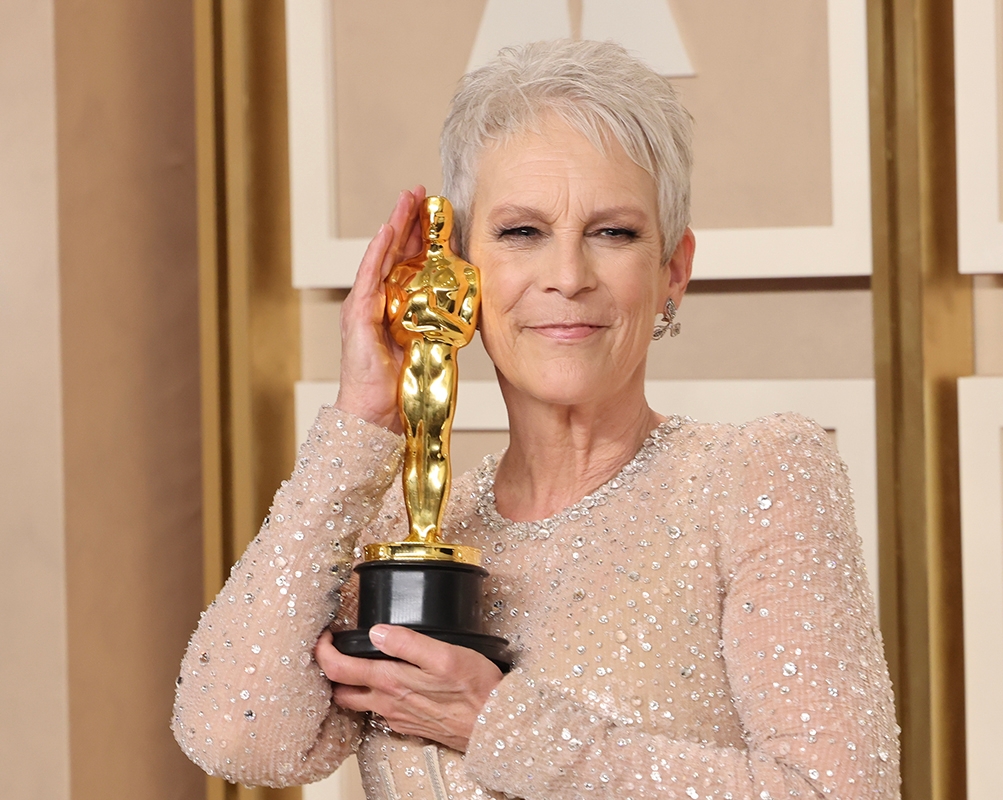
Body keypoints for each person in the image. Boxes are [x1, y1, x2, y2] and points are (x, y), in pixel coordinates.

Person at [173, 39, 900, 799]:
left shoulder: (754, 477)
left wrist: (500, 728)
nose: (567, 278)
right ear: (456, 268)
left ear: (672, 271)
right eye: (522, 231)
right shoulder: (410, 524)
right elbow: (236, 734)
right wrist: (363, 421)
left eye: (612, 232)